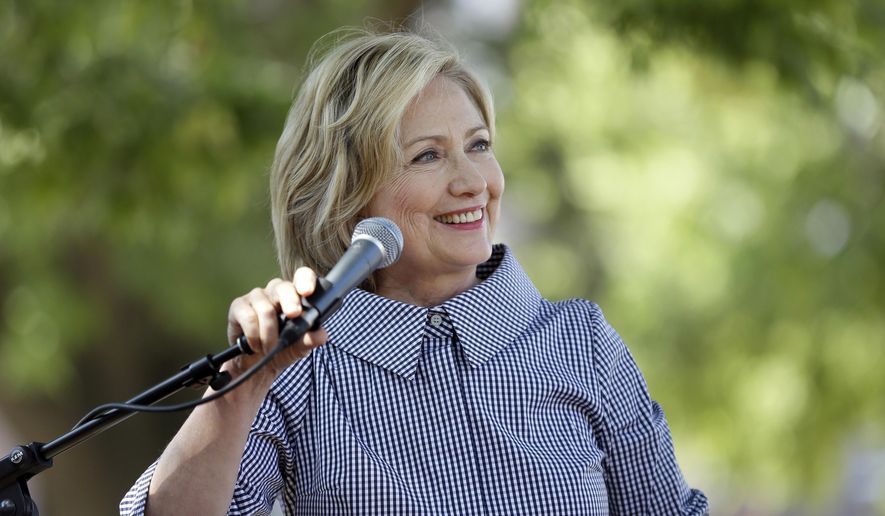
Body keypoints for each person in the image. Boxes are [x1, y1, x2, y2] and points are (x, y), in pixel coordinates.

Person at [120, 27, 708, 515]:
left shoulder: (582, 344)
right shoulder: (296, 369)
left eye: (478, 145)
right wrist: (237, 392)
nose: (473, 181)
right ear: (346, 195)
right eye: (427, 155)